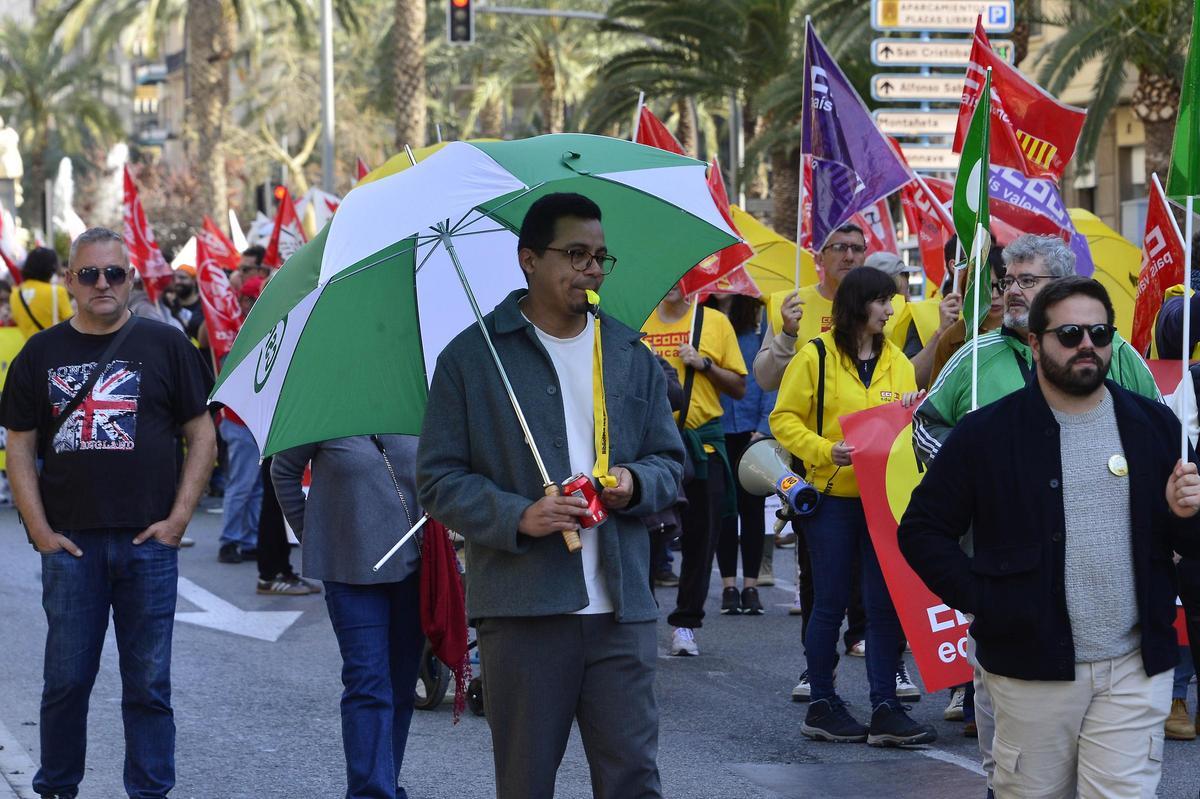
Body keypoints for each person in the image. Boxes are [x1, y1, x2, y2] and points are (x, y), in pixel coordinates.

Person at [417, 192, 684, 799]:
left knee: (634, 781)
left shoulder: (626, 351)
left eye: (599, 257)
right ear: (529, 260)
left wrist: (636, 483)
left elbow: (671, 461)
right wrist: (521, 515)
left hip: (622, 611)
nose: (591, 269)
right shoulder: (472, 358)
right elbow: (438, 479)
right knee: (526, 782)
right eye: (576, 254)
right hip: (524, 613)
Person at [899, 276, 1200, 797]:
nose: (1087, 344)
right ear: (1036, 342)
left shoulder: (1154, 423)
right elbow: (922, 531)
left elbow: (1189, 541)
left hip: (1134, 668)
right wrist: (983, 600)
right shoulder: (986, 432)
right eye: (1070, 334)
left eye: (1100, 332)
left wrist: (1185, 514)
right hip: (1029, 669)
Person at [0, 227, 216, 799]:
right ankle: (57, 789)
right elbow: (19, 445)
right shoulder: (39, 354)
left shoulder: (168, 347)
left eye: (113, 273)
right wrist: (39, 530)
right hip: (71, 547)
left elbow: (203, 436)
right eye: (89, 274)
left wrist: (177, 522)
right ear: (70, 282)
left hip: (149, 546)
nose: (102, 284)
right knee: (66, 683)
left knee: (148, 685)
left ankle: (149, 792)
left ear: (132, 279)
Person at [770, 265, 934, 746]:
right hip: (831, 500)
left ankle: (886, 706)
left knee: (885, 607)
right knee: (831, 603)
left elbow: (909, 426)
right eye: (883, 300)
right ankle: (822, 703)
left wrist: (914, 406)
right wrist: (825, 449)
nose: (891, 309)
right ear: (859, 304)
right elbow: (783, 418)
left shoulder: (898, 361)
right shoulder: (815, 355)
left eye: (893, 301)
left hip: (884, 502)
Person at [273, 435, 423, 797]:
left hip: (417, 568)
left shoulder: (419, 396)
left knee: (401, 687)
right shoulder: (325, 404)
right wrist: (313, 536)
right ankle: (373, 792)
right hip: (347, 569)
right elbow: (283, 471)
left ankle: (385, 782)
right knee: (368, 683)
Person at [643, 282, 746, 655]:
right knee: (646, 537)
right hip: (652, 445)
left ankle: (686, 623)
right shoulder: (638, 321)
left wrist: (704, 364)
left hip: (702, 442)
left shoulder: (714, 322)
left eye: (682, 278)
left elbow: (738, 387)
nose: (673, 286)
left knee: (702, 536)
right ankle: (641, 620)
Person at [711, 294, 774, 614]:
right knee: (724, 510)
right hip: (719, 433)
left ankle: (750, 586)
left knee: (752, 510)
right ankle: (728, 586)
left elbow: (767, 383)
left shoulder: (757, 335)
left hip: (752, 432)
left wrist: (764, 427)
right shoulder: (705, 329)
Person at [216, 277, 263, 564]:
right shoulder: (233, 332)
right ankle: (230, 540)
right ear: (244, 302)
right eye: (256, 299)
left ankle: (249, 538)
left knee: (254, 486)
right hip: (240, 420)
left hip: (255, 421)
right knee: (243, 484)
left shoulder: (259, 328)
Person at [11, 246, 73, 338]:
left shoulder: (15, 293)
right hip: (53, 349)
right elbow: (72, 324)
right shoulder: (56, 291)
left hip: (28, 349)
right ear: (51, 267)